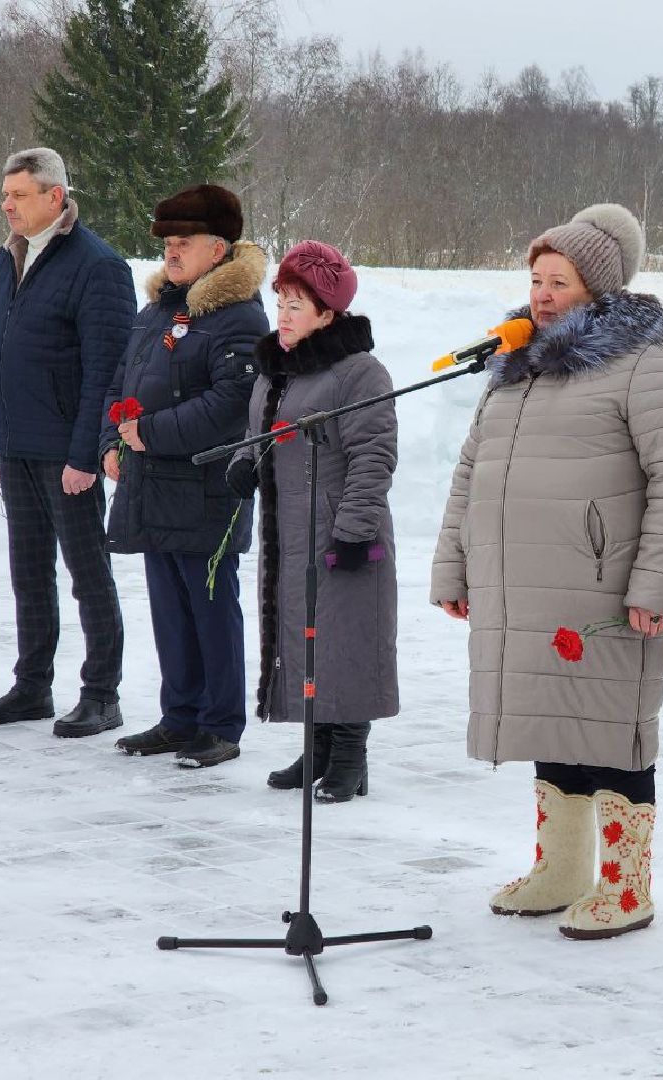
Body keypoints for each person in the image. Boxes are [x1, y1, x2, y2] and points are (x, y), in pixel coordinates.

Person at [430, 203, 663, 940]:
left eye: (559, 280)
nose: (542, 293)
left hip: (604, 591)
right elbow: (470, 472)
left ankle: (626, 885)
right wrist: (454, 566)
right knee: (549, 720)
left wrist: (656, 589)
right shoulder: (513, 369)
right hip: (520, 583)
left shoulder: (648, 366)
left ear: (601, 289)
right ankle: (560, 869)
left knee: (611, 729)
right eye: (536, 278)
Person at [0, 148, 136, 737]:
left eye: (19, 194)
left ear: (55, 197)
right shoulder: (2, 261)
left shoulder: (98, 266)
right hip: (16, 447)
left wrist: (86, 454)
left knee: (88, 573)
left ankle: (101, 693)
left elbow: (106, 372)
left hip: (68, 454)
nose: (7, 204)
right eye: (5, 194)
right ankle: (32, 686)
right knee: (29, 572)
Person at [226, 240, 399, 800]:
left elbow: (374, 457)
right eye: (280, 303)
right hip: (289, 533)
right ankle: (319, 746)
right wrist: (241, 465)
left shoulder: (360, 374)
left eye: (296, 306)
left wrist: (351, 531)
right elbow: (258, 436)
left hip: (339, 530)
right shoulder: (276, 371)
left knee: (345, 639)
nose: (283, 316)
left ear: (328, 314)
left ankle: (351, 754)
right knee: (304, 641)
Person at [105, 185, 266, 768]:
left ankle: (220, 725)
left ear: (218, 249)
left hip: (205, 489)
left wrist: (150, 434)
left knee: (210, 608)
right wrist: (111, 443)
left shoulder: (239, 316)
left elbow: (232, 403)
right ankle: (179, 718)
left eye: (184, 243)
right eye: (168, 243)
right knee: (170, 611)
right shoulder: (160, 311)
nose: (171, 252)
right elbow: (121, 382)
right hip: (151, 484)